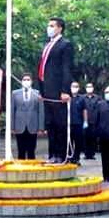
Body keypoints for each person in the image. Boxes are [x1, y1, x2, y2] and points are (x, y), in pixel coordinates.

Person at [38, 17, 74, 163]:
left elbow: (67, 68)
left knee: (60, 124)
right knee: (50, 124)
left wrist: (65, 90)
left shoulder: (65, 45)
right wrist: (40, 90)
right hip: (47, 91)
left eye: (52, 25)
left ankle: (61, 155)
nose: (49, 28)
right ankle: (52, 154)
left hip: (58, 92)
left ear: (60, 28)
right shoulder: (47, 45)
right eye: (48, 25)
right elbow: (42, 68)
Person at [10, 73, 44, 159]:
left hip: (33, 126)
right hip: (19, 126)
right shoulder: (14, 93)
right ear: (21, 81)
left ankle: (32, 170)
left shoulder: (37, 93)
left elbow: (41, 111)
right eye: (24, 80)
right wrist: (12, 127)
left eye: (28, 80)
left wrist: (41, 128)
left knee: (31, 151)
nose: (26, 81)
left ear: (31, 81)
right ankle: (20, 170)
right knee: (21, 151)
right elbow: (12, 111)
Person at [67, 81, 86, 164]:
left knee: (78, 142)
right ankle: (69, 158)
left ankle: (76, 158)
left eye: (76, 86)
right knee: (69, 142)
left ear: (78, 88)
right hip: (68, 124)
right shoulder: (67, 97)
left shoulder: (81, 98)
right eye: (73, 86)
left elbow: (84, 110)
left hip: (78, 123)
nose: (74, 88)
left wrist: (85, 121)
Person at [82, 82, 100, 160]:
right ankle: (86, 154)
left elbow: (100, 109)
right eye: (88, 87)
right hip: (84, 121)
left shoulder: (97, 98)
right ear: (85, 88)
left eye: (91, 87)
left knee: (93, 138)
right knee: (85, 137)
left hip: (94, 121)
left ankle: (92, 154)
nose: (89, 88)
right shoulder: (82, 98)